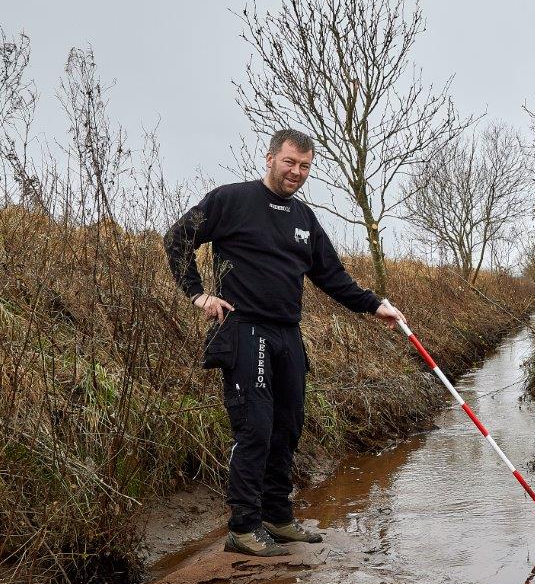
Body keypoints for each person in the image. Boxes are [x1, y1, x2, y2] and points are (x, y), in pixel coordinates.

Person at [163, 128, 406, 557]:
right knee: (254, 426)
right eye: (290, 162)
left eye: (305, 166)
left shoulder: (303, 219)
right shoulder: (230, 200)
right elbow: (176, 240)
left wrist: (375, 305)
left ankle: (277, 516)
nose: (296, 172)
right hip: (244, 329)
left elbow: (332, 276)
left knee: (287, 427)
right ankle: (243, 527)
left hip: (287, 333)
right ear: (271, 158)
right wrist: (198, 293)